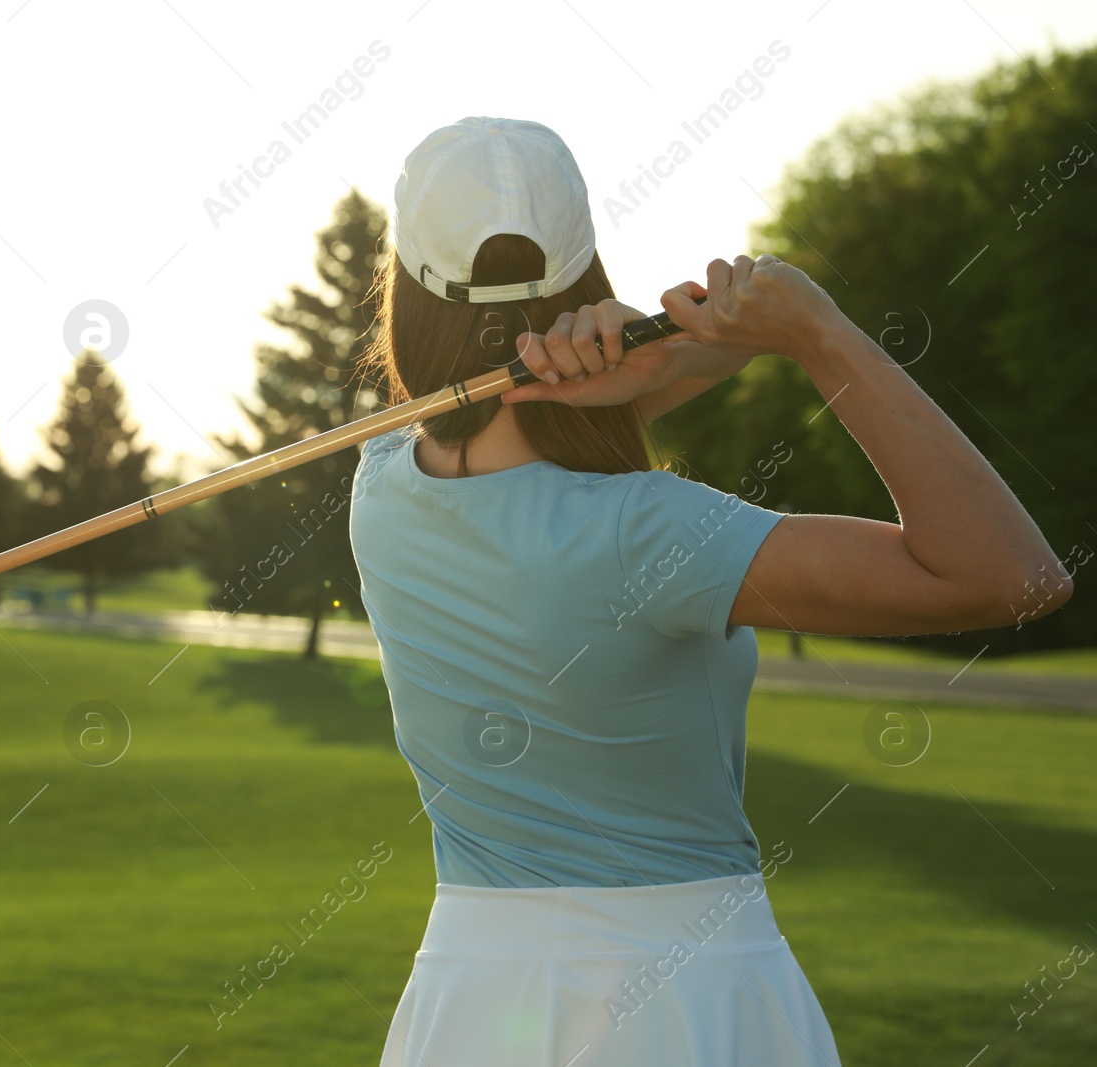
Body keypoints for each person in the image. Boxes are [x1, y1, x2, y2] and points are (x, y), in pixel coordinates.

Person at [350, 116, 1072, 1067]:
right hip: (684, 994)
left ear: (405, 293)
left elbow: (520, 434)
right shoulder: (649, 531)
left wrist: (657, 368)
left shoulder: (383, 484)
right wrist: (819, 336)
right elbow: (1012, 576)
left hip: (470, 995)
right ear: (585, 278)